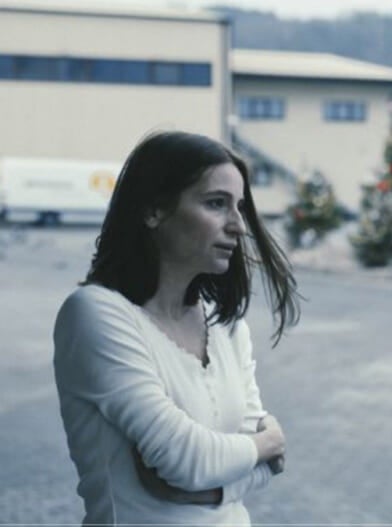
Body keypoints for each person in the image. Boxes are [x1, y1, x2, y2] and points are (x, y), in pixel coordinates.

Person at [53, 130, 301, 524]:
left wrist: (214, 488)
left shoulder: (225, 324)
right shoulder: (95, 315)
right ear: (153, 210)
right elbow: (184, 460)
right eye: (216, 203)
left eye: (239, 206)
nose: (238, 225)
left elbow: (264, 469)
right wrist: (266, 443)